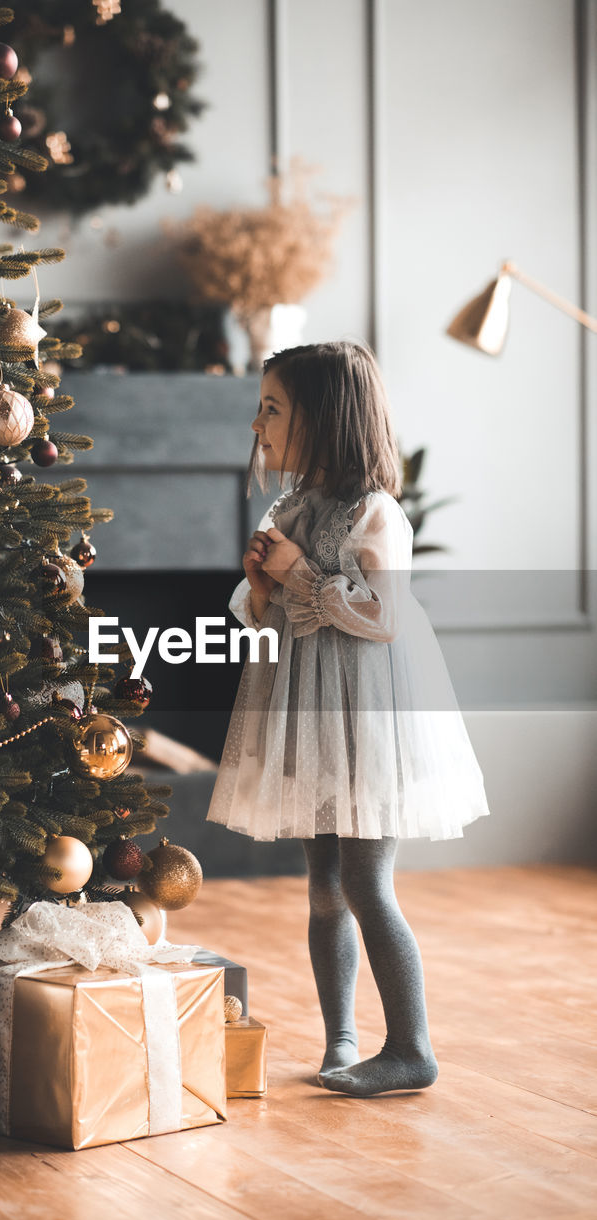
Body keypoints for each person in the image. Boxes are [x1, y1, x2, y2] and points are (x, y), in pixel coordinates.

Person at [206, 341, 489, 1097]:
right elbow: (270, 625)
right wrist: (260, 587)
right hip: (308, 713)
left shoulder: (376, 513)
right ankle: (342, 1038)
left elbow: (383, 619)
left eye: (272, 407)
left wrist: (299, 571)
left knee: (367, 883)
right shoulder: (291, 505)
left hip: (368, 716)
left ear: (322, 418)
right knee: (323, 885)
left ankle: (411, 1047)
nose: (258, 422)